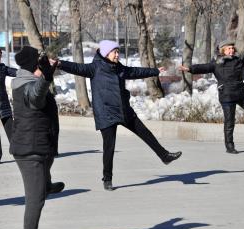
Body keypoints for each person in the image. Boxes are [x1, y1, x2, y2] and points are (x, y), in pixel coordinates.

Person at [53, 40, 182, 191]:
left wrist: (154, 71)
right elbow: (77, 67)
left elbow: (134, 72)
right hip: (106, 112)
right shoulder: (95, 68)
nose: (117, 54)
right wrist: (60, 63)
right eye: (114, 52)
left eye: (117, 52)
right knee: (109, 147)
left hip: (123, 110)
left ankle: (164, 156)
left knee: (145, 132)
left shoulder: (119, 68)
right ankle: (107, 179)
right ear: (106, 53)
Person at [178, 40, 244, 154]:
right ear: (222, 50)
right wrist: (189, 69)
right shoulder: (216, 63)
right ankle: (229, 146)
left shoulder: (238, 60)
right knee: (230, 122)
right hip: (226, 95)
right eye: (229, 48)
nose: (232, 50)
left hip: (240, 93)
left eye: (232, 48)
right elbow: (203, 67)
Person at [10, 46, 65, 229]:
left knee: (41, 184)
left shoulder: (27, 80)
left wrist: (48, 71)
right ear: (34, 65)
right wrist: (46, 78)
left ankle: (45, 184)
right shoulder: (28, 85)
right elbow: (36, 97)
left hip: (38, 145)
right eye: (40, 61)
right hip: (30, 149)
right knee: (35, 200)